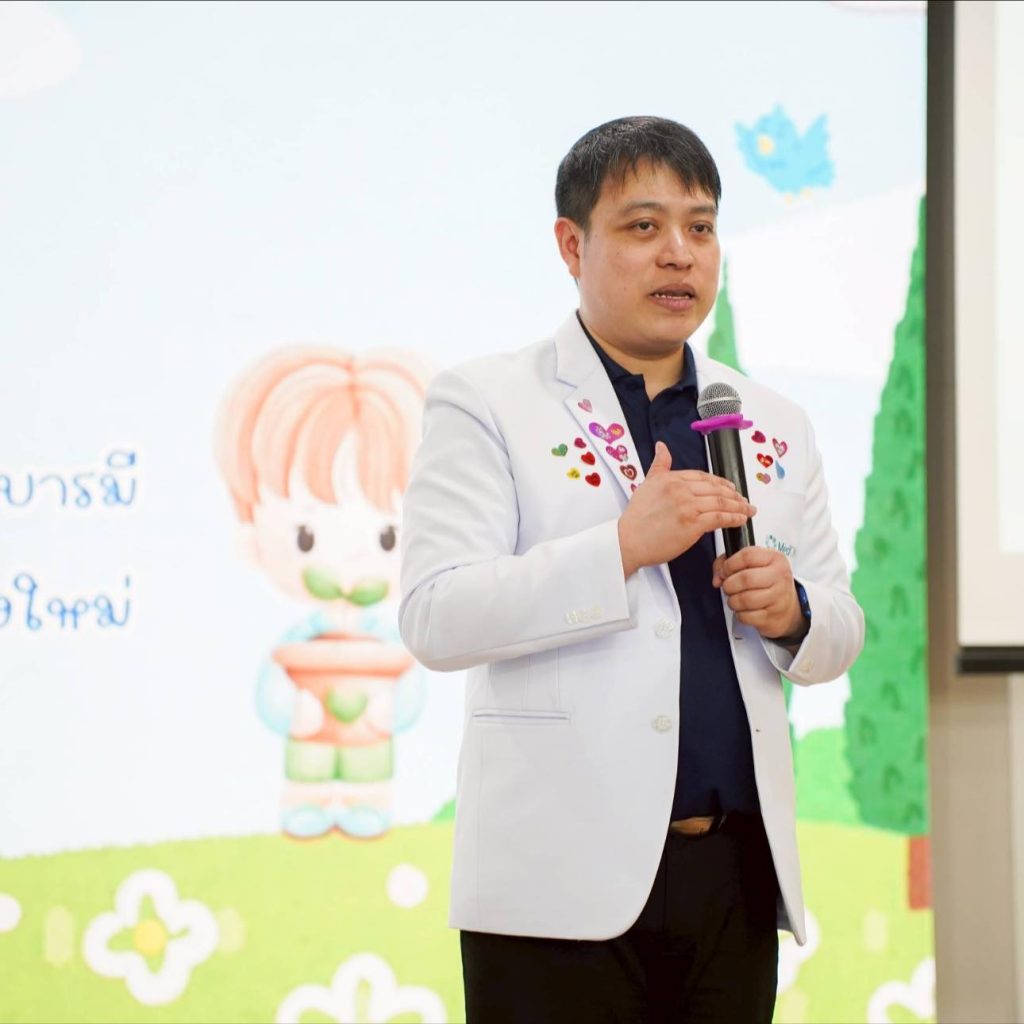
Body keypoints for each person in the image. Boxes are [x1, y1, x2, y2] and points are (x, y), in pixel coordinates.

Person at [398, 116, 864, 1023]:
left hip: (733, 877)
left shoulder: (769, 419)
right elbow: (436, 615)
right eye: (644, 226)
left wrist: (794, 612)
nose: (679, 253)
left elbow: (839, 627)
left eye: (701, 226)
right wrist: (619, 548)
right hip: (555, 884)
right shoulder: (488, 400)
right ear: (572, 246)